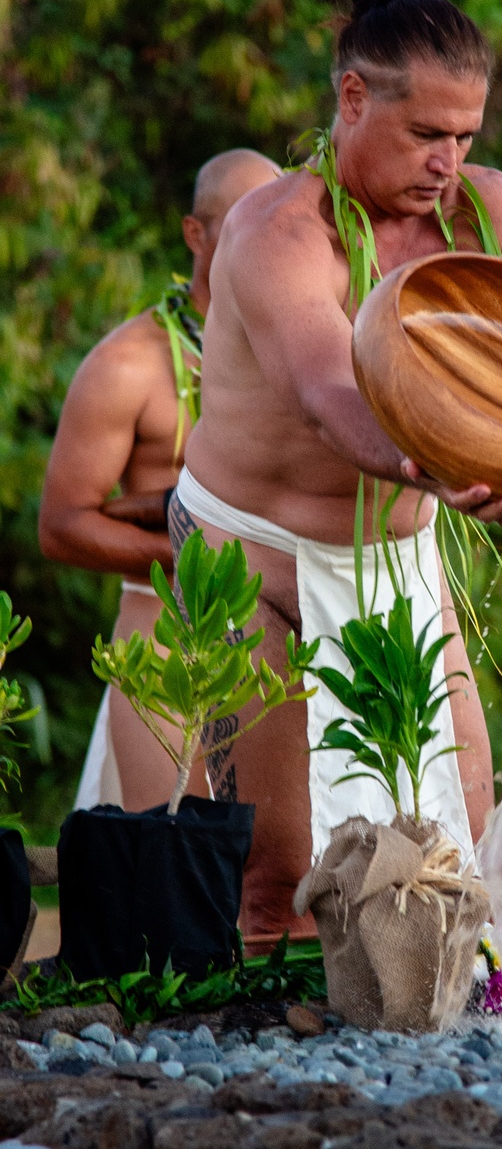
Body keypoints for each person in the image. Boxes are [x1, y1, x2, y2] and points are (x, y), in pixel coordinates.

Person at [172, 0, 502, 950]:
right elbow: (329, 399)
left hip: (400, 560)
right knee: (279, 872)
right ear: (352, 100)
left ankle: (436, 1052)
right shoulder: (280, 232)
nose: (448, 160)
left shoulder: (493, 211)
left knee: (460, 848)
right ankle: (276, 1084)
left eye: (466, 136)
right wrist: (445, 473)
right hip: (249, 557)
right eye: (426, 134)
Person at [39, 149, 282, 811]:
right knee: (175, 858)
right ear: (194, 234)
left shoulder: (300, 348)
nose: (254, 240)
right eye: (236, 222)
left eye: (271, 221)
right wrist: (199, 561)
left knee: (282, 880)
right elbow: (63, 525)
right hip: (164, 638)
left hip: (283, 637)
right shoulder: (128, 364)